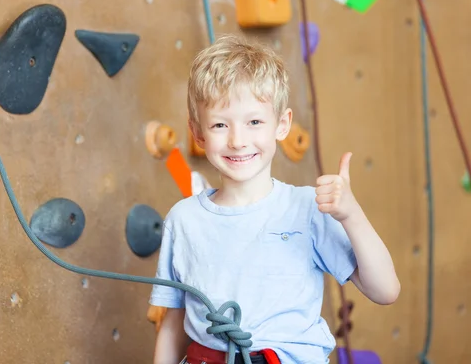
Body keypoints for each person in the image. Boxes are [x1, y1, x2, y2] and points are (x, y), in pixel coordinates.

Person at [149, 34, 400, 364]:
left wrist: (351, 214)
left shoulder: (308, 209)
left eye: (254, 122)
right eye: (220, 124)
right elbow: (175, 323)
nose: (238, 140)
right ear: (198, 133)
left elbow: (385, 291)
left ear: (282, 125)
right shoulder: (183, 220)